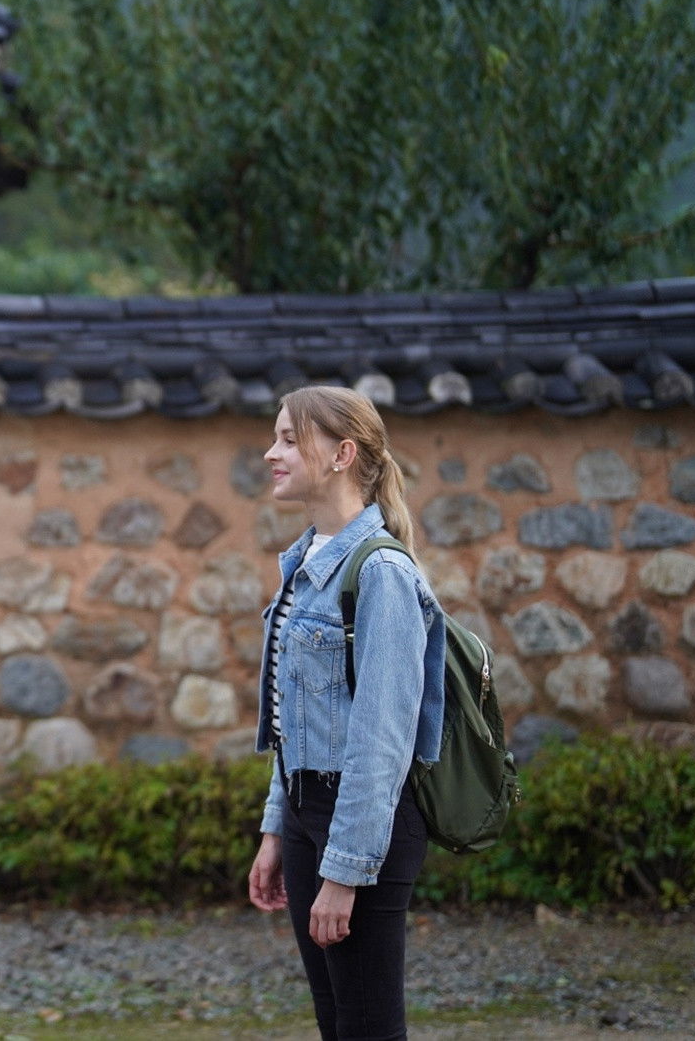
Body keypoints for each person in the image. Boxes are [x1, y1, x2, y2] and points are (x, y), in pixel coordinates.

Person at [245, 385, 446, 1041]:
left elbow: (382, 740)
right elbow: (295, 717)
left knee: (367, 1027)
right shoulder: (305, 562)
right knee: (337, 1024)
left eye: (286, 438)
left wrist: (345, 871)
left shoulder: (381, 571)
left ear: (341, 454)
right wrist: (279, 829)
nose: (270, 452)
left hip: (363, 820)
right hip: (310, 813)